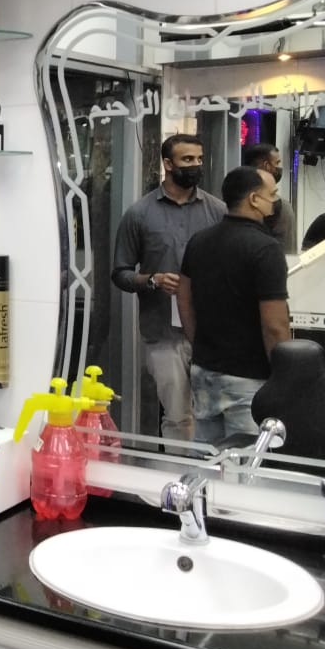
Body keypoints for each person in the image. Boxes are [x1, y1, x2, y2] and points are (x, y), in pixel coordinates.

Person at [112, 134, 226, 442]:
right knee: (177, 417)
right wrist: (153, 280)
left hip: (210, 332)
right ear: (168, 164)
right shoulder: (139, 214)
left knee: (214, 413)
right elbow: (120, 273)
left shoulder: (218, 211)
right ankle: (177, 472)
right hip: (162, 333)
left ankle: (211, 473)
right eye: (187, 159)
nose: (195, 165)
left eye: (199, 159)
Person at [178, 166, 291, 445]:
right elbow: (274, 326)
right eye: (271, 194)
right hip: (249, 378)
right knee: (247, 461)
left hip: (204, 370)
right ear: (254, 199)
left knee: (207, 457)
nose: (274, 201)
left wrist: (200, 345)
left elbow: (184, 299)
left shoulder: (199, 241)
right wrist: (286, 373)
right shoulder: (266, 249)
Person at [241, 143, 295, 253]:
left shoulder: (234, 199)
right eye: (277, 163)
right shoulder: (282, 207)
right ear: (266, 165)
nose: (279, 167)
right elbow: (287, 252)